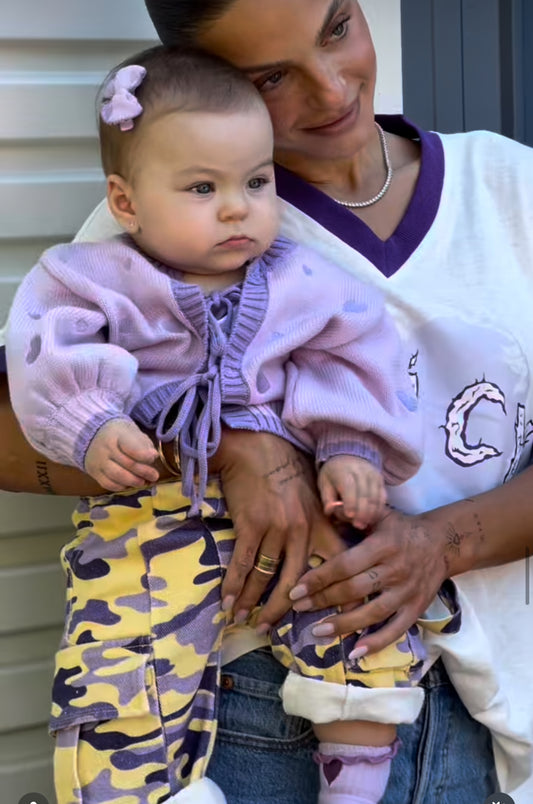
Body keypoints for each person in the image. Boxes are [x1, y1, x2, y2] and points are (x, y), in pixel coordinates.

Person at [1, 1, 532, 801]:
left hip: (491, 707)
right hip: (254, 706)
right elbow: (19, 427)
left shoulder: (507, 188)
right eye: (272, 76)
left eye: (336, 26)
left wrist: (438, 546)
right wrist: (226, 444)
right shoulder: (167, 227)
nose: (331, 91)